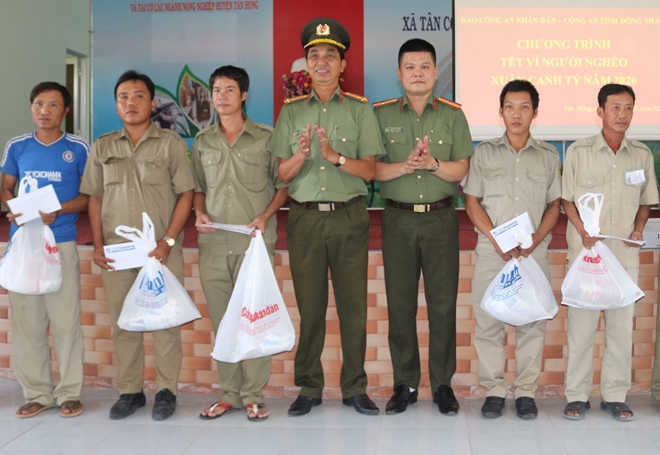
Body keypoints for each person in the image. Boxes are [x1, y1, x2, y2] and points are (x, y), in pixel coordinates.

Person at [268, 17, 384, 416]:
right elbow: (281, 174)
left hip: (349, 218)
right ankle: (310, 388)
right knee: (310, 307)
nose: (321, 62)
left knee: (354, 308)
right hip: (304, 220)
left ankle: (354, 387)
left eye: (329, 55)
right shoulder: (291, 112)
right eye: (313, 55)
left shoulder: (359, 110)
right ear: (305, 64)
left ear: (342, 65)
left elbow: (369, 171)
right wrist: (302, 154)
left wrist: (334, 156)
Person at [80, 70, 195, 421]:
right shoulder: (102, 146)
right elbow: (94, 198)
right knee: (123, 323)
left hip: (159, 251)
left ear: (152, 103)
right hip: (117, 251)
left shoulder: (171, 144)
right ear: (116, 106)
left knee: (164, 323)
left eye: (138, 96)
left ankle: (165, 391)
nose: (130, 102)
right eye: (123, 97)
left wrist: (169, 240)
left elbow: (186, 193)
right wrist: (98, 245)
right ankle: (130, 392)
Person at [372, 38, 473, 415]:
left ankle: (443, 384)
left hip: (440, 219)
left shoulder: (452, 114)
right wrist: (404, 166)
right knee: (400, 306)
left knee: (443, 305)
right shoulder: (380, 115)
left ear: (435, 72)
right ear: (399, 74)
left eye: (425, 66)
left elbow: (461, 169)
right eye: (410, 67)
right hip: (397, 218)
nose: (417, 72)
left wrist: (431, 164)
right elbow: (371, 169)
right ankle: (406, 383)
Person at [191, 65, 288, 421]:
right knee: (225, 323)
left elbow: (282, 186)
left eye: (229, 89)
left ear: (244, 95)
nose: (221, 96)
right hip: (214, 247)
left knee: (256, 319)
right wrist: (198, 213)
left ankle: (254, 395)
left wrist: (265, 216)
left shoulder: (266, 136)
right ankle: (229, 393)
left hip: (255, 247)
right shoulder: (202, 141)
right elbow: (198, 188)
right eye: (216, 89)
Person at [463, 79, 561, 419]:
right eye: (510, 107)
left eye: (524, 107)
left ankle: (525, 393)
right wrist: (495, 238)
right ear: (500, 111)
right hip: (493, 252)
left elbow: (554, 204)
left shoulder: (548, 155)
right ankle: (493, 391)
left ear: (535, 112)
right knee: (488, 321)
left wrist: (534, 240)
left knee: (532, 321)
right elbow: (472, 202)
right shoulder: (484, 153)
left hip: (532, 252)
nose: (516, 114)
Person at [561, 83, 659, 422]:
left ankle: (615, 396)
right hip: (588, 255)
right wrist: (581, 229)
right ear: (600, 110)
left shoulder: (641, 155)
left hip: (624, 256)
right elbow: (567, 199)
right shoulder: (579, 151)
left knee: (621, 328)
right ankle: (577, 396)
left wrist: (638, 228)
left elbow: (646, 201)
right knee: (582, 328)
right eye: (615, 107)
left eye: (629, 107)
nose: (623, 114)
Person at [0, 82, 88, 419]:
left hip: (61, 241)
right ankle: (37, 393)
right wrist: (14, 208)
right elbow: (6, 187)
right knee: (27, 323)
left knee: (65, 321)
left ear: (66, 111)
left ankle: (69, 393)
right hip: (24, 244)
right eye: (38, 103)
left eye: (53, 105)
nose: (44, 110)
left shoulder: (78, 148)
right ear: (31, 107)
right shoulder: (18, 146)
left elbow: (89, 196)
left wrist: (61, 210)